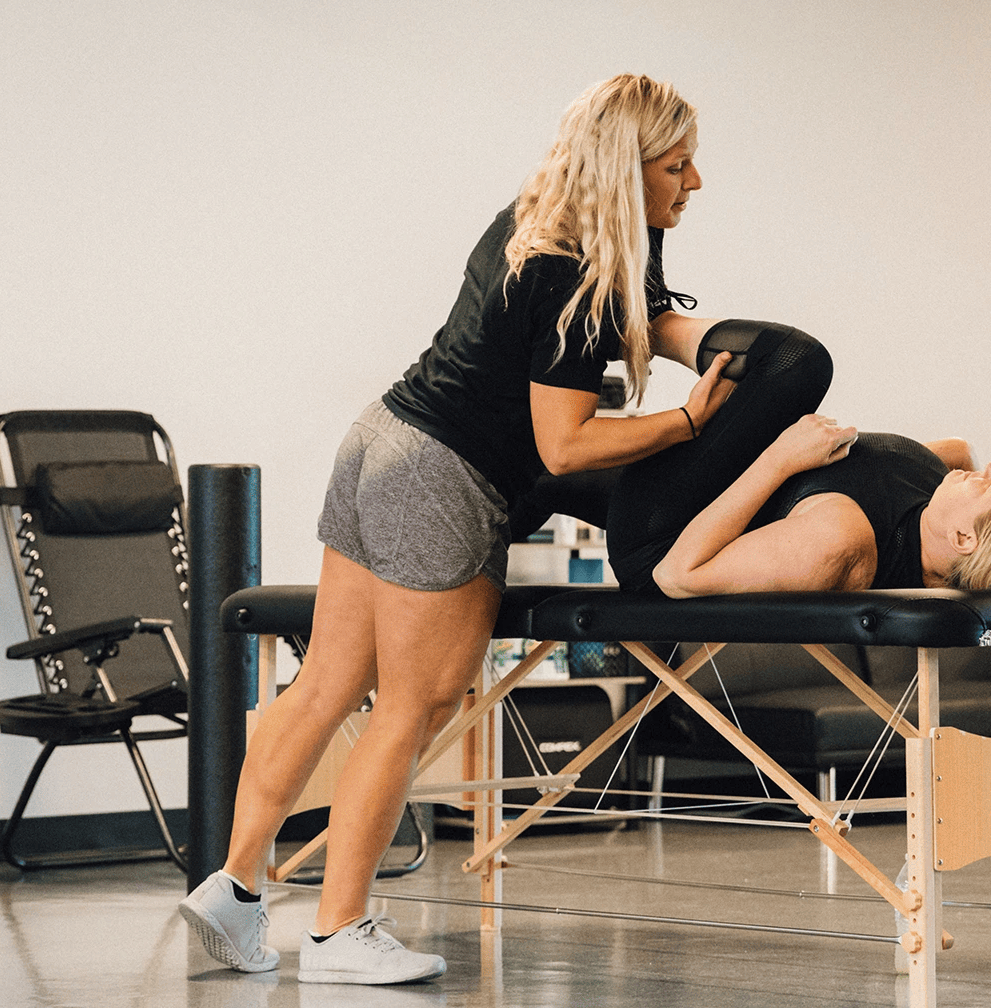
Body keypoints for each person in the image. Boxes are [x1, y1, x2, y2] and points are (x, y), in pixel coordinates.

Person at [179, 74, 738, 986]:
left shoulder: (539, 217)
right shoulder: (580, 273)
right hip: (442, 478)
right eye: (678, 164)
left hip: (380, 439)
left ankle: (235, 891)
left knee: (326, 683)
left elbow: (647, 313)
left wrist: (705, 340)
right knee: (411, 704)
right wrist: (688, 423)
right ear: (626, 167)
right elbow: (563, 447)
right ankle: (338, 932)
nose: (696, 182)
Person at [604, 324, 991, 596]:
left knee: (800, 362)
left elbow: (676, 576)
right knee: (536, 472)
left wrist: (780, 459)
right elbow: (940, 456)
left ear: (963, 538)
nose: (990, 470)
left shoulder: (839, 543)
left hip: (660, 539)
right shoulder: (941, 496)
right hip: (695, 484)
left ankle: (633, 322)